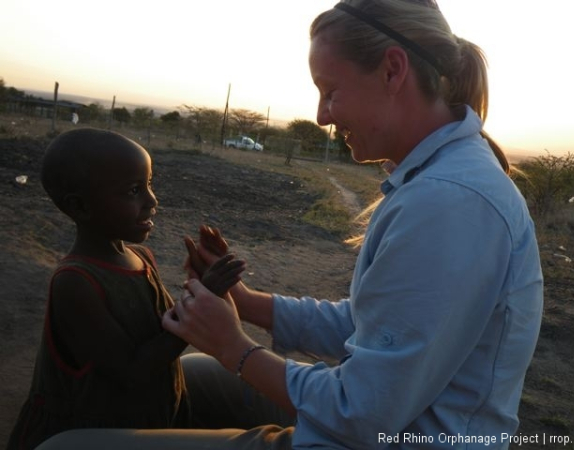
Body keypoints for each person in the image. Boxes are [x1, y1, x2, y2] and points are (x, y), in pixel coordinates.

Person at [36, 0, 543, 449]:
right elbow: (376, 325)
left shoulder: (448, 203)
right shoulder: (438, 180)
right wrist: (247, 303)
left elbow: (362, 412)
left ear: (392, 71)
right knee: (185, 376)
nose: (322, 115)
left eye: (330, 91)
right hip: (383, 421)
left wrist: (234, 347)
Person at [7, 128, 245, 450]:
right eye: (134, 190)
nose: (152, 200)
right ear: (80, 207)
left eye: (149, 184)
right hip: (87, 436)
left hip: (148, 420)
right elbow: (132, 371)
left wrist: (201, 285)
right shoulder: (75, 282)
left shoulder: (141, 257)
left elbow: (160, 333)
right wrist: (202, 301)